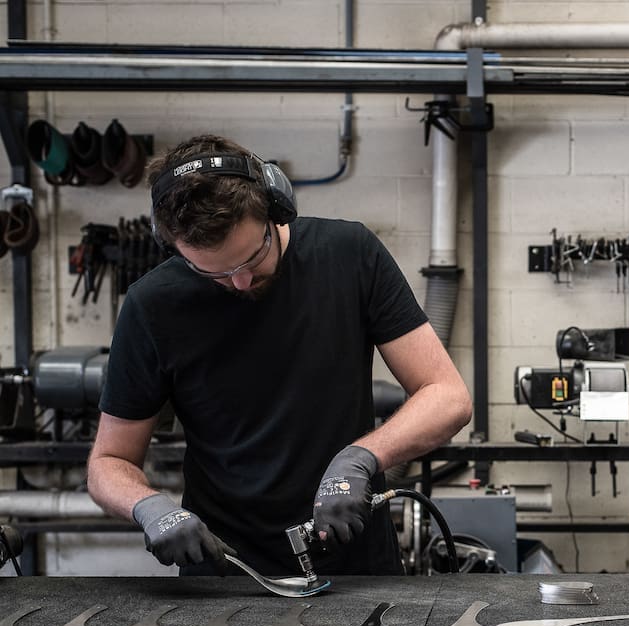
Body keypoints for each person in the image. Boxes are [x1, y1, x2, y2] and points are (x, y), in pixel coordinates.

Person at [86, 134, 472, 577]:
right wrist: (148, 506)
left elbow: (447, 395)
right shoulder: (152, 304)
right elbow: (108, 462)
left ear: (276, 208)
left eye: (254, 256)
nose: (243, 282)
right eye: (217, 273)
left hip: (357, 568)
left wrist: (361, 458)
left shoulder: (350, 255)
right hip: (226, 575)